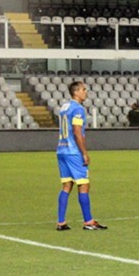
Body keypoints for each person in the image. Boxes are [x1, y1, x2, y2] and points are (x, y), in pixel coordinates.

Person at [56, 81, 107, 231]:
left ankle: (61, 222)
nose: (86, 92)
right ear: (76, 92)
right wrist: (84, 152)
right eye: (84, 90)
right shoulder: (78, 109)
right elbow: (77, 131)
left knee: (67, 185)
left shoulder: (64, 107)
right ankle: (88, 222)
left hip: (61, 150)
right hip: (73, 152)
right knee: (84, 184)